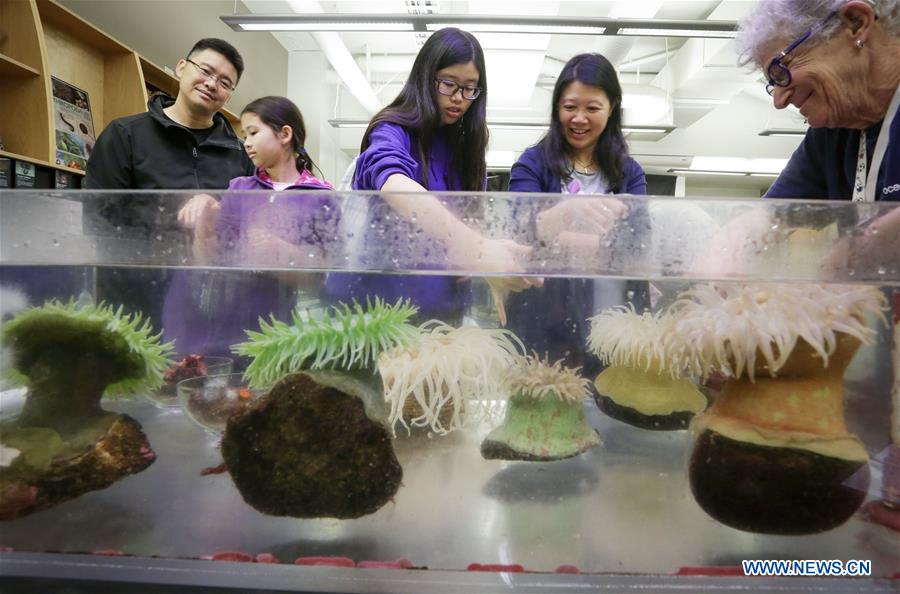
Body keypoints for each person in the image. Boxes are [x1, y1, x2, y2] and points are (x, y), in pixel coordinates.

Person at [325, 27, 536, 324]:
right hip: (376, 315)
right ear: (426, 78)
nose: (459, 98)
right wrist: (480, 248)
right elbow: (393, 181)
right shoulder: (392, 130)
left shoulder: (465, 147)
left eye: (470, 88)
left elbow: (464, 227)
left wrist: (487, 264)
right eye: (448, 84)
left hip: (441, 313)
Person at [698, 0, 899, 276]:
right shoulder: (831, 135)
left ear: (856, 23)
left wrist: (864, 247)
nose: (779, 101)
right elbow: (769, 215)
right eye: (772, 83)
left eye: (781, 69)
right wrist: (726, 248)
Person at [163, 96, 337, 360]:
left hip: (279, 327)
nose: (246, 142)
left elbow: (323, 276)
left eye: (253, 132)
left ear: (285, 134)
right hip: (222, 324)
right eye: (244, 134)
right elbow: (209, 261)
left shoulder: (321, 197)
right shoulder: (240, 189)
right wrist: (205, 225)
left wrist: (278, 251)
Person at [506, 53, 648, 372]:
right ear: (557, 108)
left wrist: (556, 239)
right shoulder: (532, 164)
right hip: (541, 318)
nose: (579, 118)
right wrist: (568, 212)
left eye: (592, 108)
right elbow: (519, 236)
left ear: (612, 108)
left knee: (606, 404)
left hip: (610, 317)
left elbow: (637, 247)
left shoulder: (629, 172)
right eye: (570, 107)